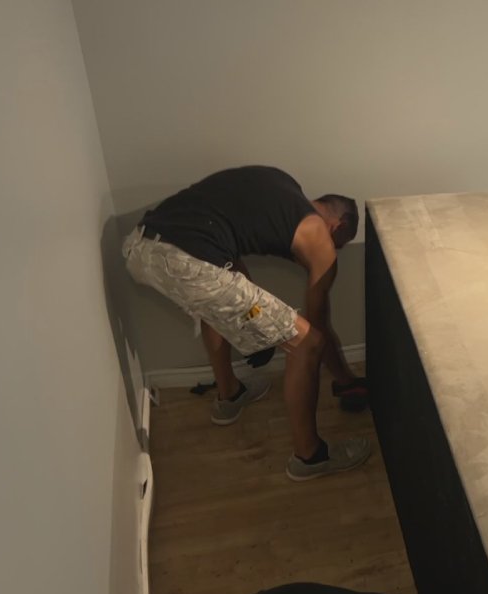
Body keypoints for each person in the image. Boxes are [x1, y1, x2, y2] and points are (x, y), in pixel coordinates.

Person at [122, 165, 372, 480]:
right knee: (307, 343)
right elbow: (318, 326)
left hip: (141, 244)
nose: (332, 251)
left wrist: (253, 322)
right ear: (337, 225)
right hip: (185, 259)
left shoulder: (278, 186)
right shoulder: (318, 232)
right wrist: (346, 380)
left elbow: (230, 270)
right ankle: (310, 457)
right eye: (339, 244)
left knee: (221, 297)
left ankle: (230, 397)